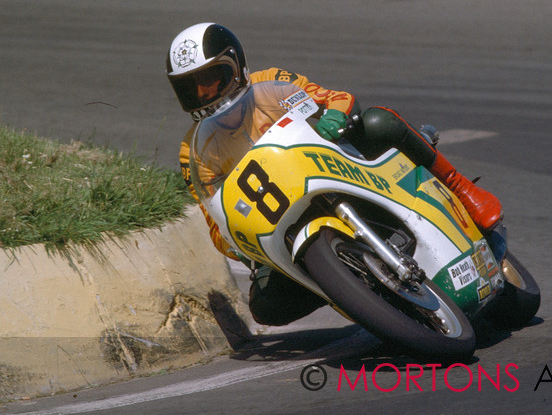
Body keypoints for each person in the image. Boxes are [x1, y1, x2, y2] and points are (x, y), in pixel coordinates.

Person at [166, 22, 503, 326]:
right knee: (266, 306)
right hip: (279, 221)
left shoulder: (269, 83)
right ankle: (355, 289)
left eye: (212, 79)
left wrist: (332, 119)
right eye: (190, 87)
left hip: (338, 169)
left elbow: (337, 99)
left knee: (377, 122)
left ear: (236, 68)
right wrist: (239, 248)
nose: (203, 93)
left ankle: (461, 189)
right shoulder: (193, 150)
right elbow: (215, 219)